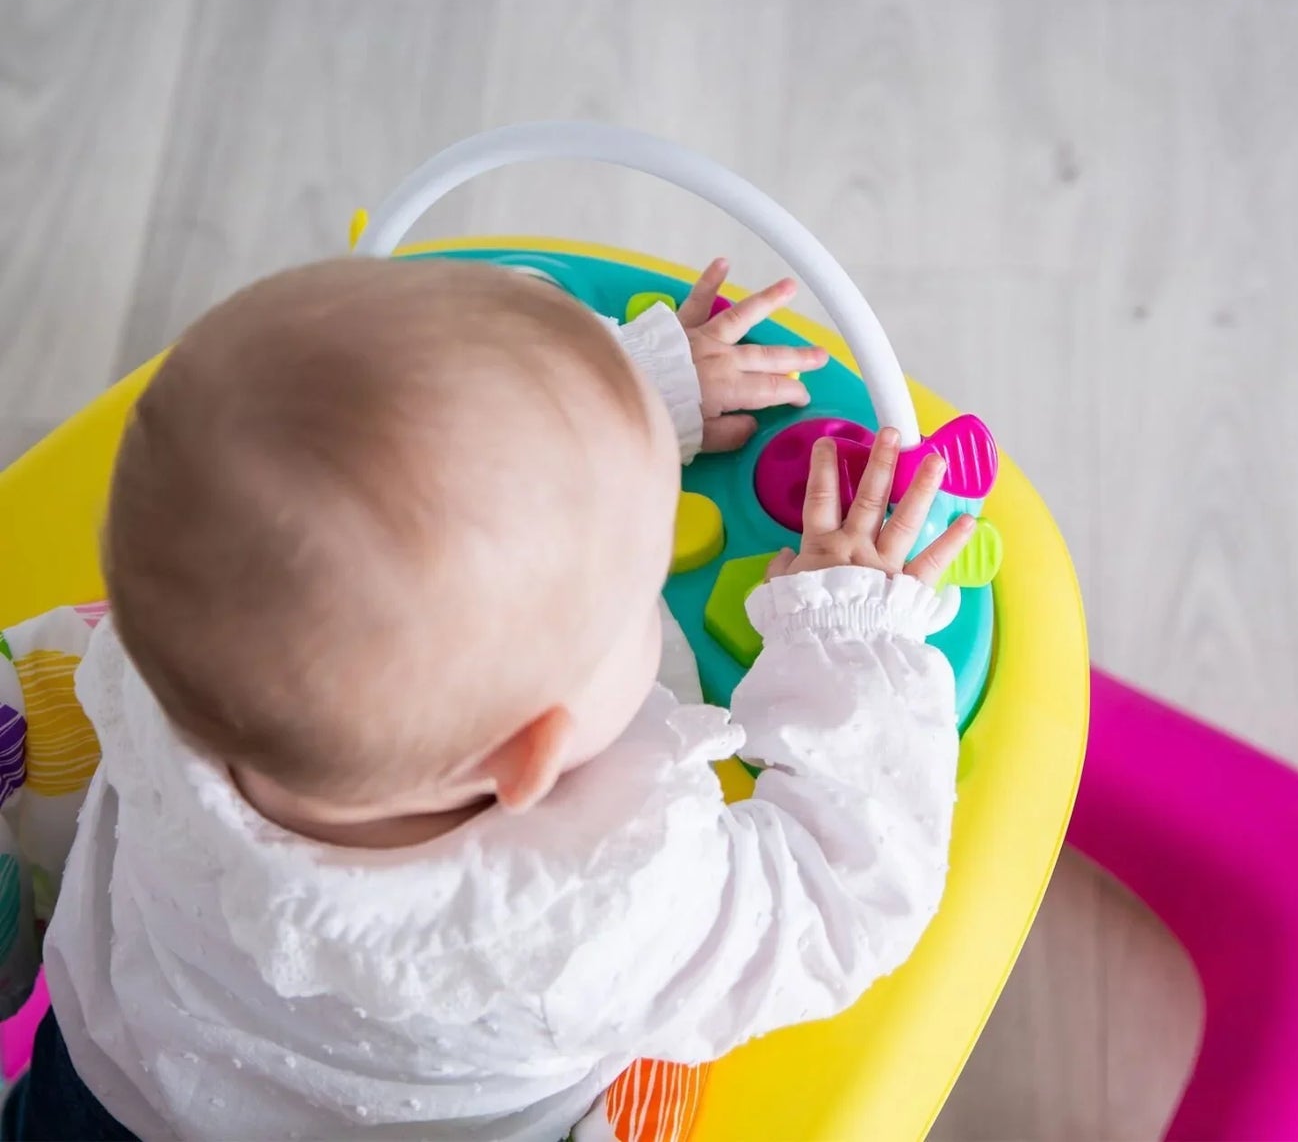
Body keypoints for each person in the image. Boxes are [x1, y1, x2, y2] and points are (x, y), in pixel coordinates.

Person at [0, 255, 974, 1140]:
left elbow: (387, 493)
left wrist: (612, 406)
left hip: (102, 1100)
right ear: (528, 756)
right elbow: (836, 898)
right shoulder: (588, 908)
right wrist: (852, 636)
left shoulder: (158, 663)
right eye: (636, 596)